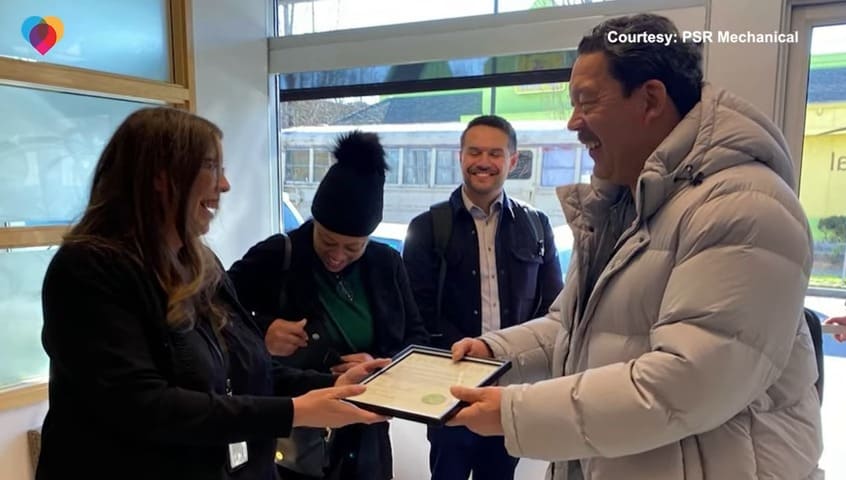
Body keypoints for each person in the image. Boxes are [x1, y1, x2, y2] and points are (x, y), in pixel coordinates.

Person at [447, 13, 822, 480]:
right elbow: (571, 324)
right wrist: (492, 351)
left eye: (587, 101)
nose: (573, 123)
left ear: (650, 99)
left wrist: (514, 413)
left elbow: (687, 383)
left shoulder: (744, 208)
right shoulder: (627, 202)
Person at [37, 108, 389, 480]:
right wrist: (294, 411)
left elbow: (243, 370)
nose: (224, 185)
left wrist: (330, 385)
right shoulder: (88, 270)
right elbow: (142, 406)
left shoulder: (199, 263)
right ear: (161, 177)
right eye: (212, 167)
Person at [228, 130, 429, 480]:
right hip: (294, 434)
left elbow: (415, 340)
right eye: (327, 241)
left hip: (364, 432)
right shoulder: (277, 255)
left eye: (353, 248)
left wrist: (382, 365)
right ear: (314, 222)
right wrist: (263, 330)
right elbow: (218, 317)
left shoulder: (387, 264)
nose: (337, 256)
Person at [402, 114, 562, 480]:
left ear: (513, 161)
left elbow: (553, 310)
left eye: (495, 153)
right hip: (449, 393)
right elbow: (417, 315)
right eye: (474, 152)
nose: (483, 162)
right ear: (460, 156)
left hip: (511, 393)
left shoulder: (537, 225)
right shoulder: (427, 228)